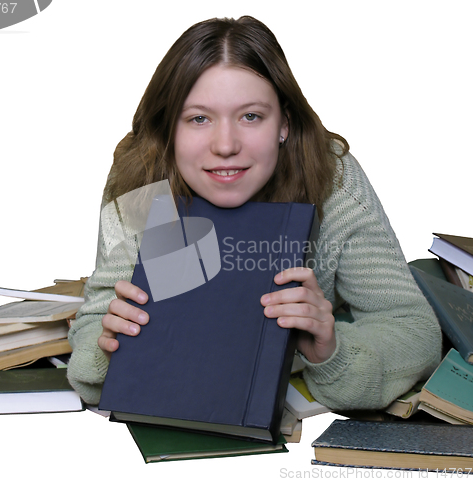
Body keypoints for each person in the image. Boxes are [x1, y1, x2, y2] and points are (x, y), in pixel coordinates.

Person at [67, 16, 442, 409]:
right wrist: (106, 350)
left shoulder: (333, 176)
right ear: (169, 129)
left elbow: (413, 330)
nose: (225, 145)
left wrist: (329, 351)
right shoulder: (141, 175)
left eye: (251, 116)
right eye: (198, 118)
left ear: (284, 124)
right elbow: (97, 317)